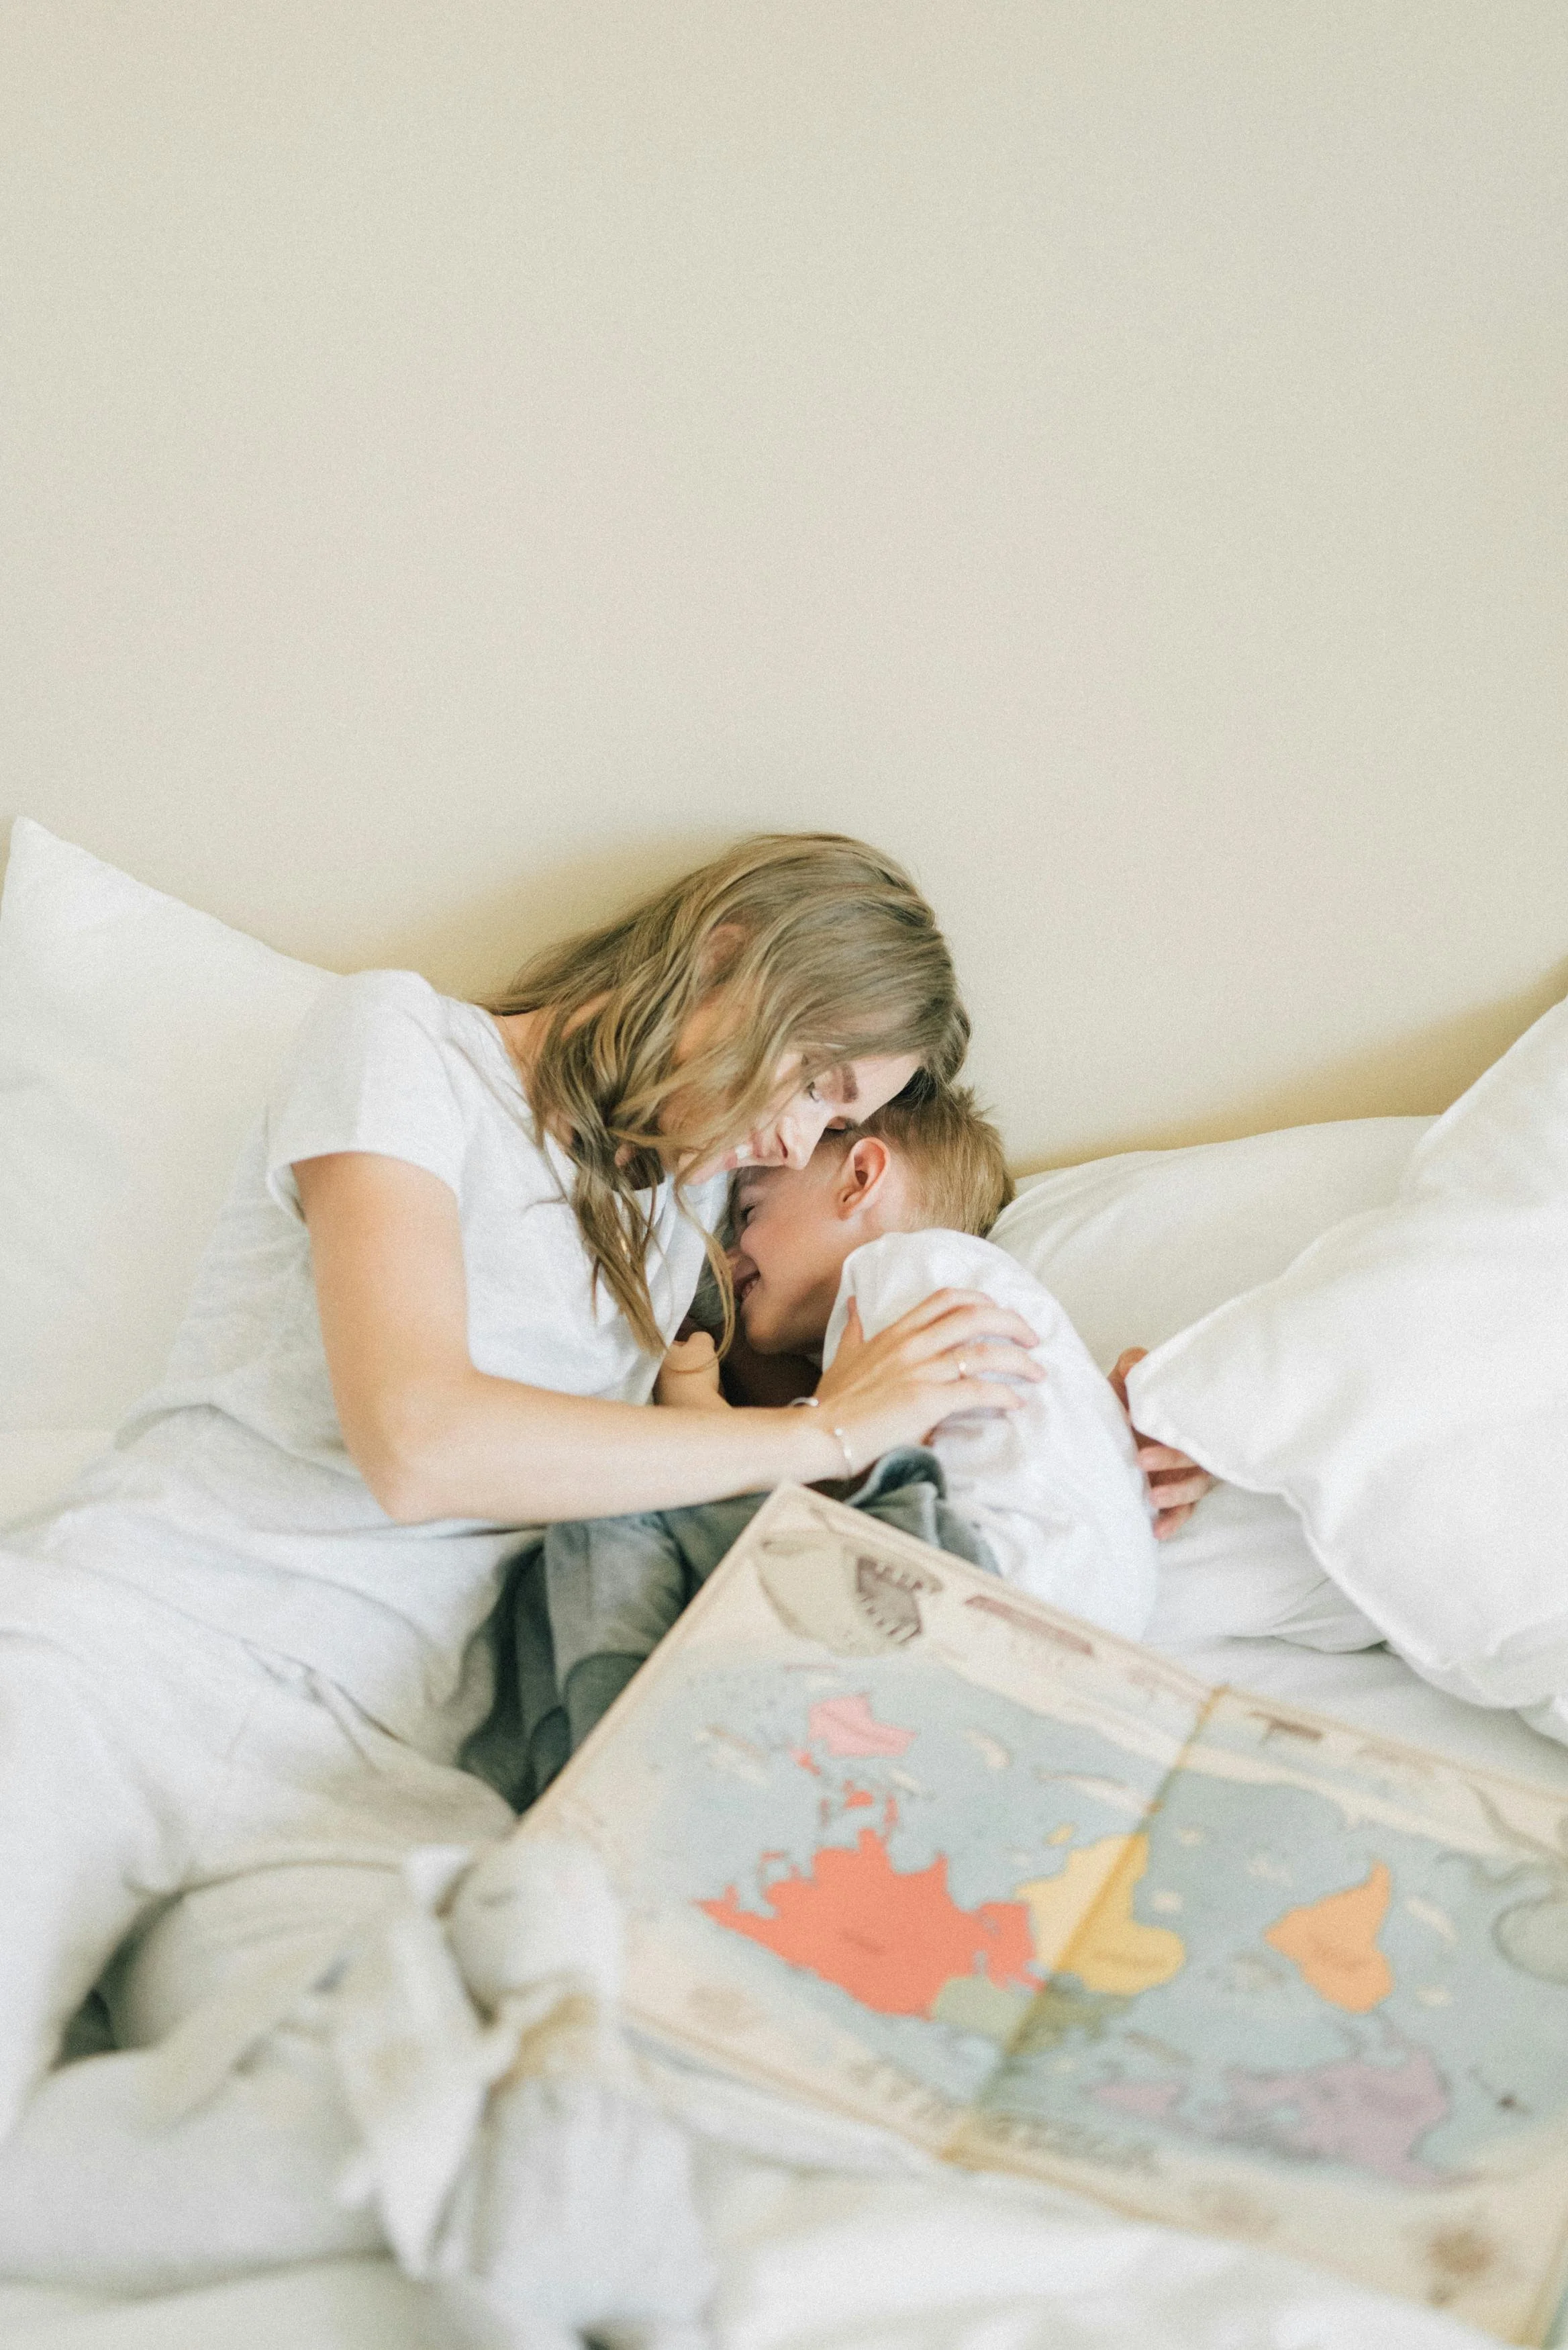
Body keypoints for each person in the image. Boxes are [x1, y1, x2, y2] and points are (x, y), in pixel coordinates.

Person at [0, 833, 1045, 2322]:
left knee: (419, 2117)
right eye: (816, 1077)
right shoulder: (402, 1046)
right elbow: (415, 1439)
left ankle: (528, 2012)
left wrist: (1117, 1428)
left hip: (365, 1768)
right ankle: (528, 2008)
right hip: (130, 1646)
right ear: (733, 945)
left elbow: (827, 1393)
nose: (788, 1140)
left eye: (841, 1117)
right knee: (429, 2121)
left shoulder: (679, 1217)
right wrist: (813, 1427)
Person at [464, 1085, 1203, 1812]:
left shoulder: (908, 1269)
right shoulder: (1011, 1334)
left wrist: (694, 1402)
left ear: (860, 1179)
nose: (730, 1254)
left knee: (611, 1503)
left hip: (972, 1583)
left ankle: (608, 1787)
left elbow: (828, 1486)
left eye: (750, 1211)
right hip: (1080, 1664)